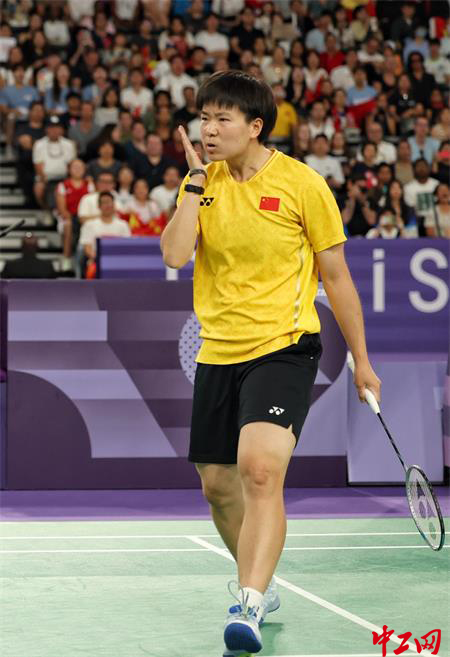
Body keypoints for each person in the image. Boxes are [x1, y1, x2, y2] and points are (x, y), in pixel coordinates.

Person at [160, 70, 380, 656]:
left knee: (259, 470)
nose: (209, 130)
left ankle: (250, 602)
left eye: (222, 119)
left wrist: (362, 360)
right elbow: (176, 255)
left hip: (284, 346)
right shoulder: (202, 183)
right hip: (218, 349)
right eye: (203, 119)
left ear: (255, 126)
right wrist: (193, 185)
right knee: (217, 486)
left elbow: (337, 277)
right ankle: (259, 576)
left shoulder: (302, 184)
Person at [79, 190, 131, 266]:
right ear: (99, 206)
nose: (107, 205)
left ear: (114, 205)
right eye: (104, 203)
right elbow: (88, 249)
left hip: (119, 262)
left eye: (109, 202)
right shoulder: (89, 225)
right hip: (97, 261)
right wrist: (100, 259)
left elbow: (126, 247)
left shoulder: (123, 225)